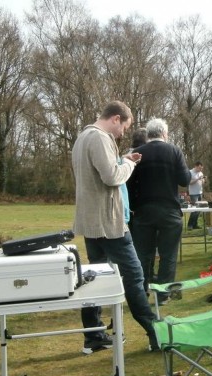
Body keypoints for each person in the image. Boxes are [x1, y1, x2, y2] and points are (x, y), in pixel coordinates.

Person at [71, 101, 158, 353]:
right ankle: (154, 330)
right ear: (116, 119)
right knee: (134, 275)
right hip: (109, 223)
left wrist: (122, 158)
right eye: (124, 127)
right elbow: (111, 177)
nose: (122, 134)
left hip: (90, 222)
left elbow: (98, 170)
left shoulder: (82, 137)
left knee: (94, 278)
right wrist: (129, 165)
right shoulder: (101, 137)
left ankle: (94, 335)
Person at [127, 118, 191, 304]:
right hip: (169, 209)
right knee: (168, 254)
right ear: (165, 133)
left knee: (143, 254)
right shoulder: (174, 151)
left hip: (143, 210)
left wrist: (133, 205)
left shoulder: (138, 153)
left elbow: (128, 183)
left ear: (148, 134)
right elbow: (184, 180)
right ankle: (163, 294)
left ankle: (143, 291)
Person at [187, 161, 205, 229]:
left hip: (200, 192)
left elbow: (202, 183)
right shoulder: (190, 172)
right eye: (199, 168)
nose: (200, 170)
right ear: (196, 166)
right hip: (193, 193)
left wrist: (203, 180)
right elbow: (189, 183)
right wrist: (197, 179)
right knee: (194, 209)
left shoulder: (201, 173)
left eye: (201, 168)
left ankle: (195, 224)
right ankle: (190, 225)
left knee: (199, 209)